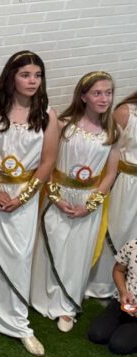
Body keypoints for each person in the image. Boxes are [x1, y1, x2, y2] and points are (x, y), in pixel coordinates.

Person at [0, 50, 58, 356]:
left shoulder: (47, 116)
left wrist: (23, 197)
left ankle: (19, 321)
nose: (32, 81)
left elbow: (47, 162)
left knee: (20, 256)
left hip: (26, 194)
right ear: (11, 76)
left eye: (37, 75)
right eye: (25, 75)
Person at [31, 71, 120, 333]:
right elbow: (46, 161)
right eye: (97, 93)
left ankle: (66, 305)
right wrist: (56, 198)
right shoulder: (64, 124)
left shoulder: (113, 130)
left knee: (77, 254)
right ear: (83, 96)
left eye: (108, 93)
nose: (104, 98)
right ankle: (39, 296)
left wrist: (91, 204)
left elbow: (111, 173)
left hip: (88, 199)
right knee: (50, 247)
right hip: (58, 194)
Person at [87, 90, 137, 298]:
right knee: (117, 228)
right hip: (125, 182)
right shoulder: (126, 113)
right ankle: (102, 283)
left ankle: (130, 285)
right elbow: (108, 149)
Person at [87, 239, 137, 355]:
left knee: (118, 345)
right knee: (96, 334)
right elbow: (118, 270)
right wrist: (123, 292)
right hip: (123, 303)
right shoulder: (133, 245)